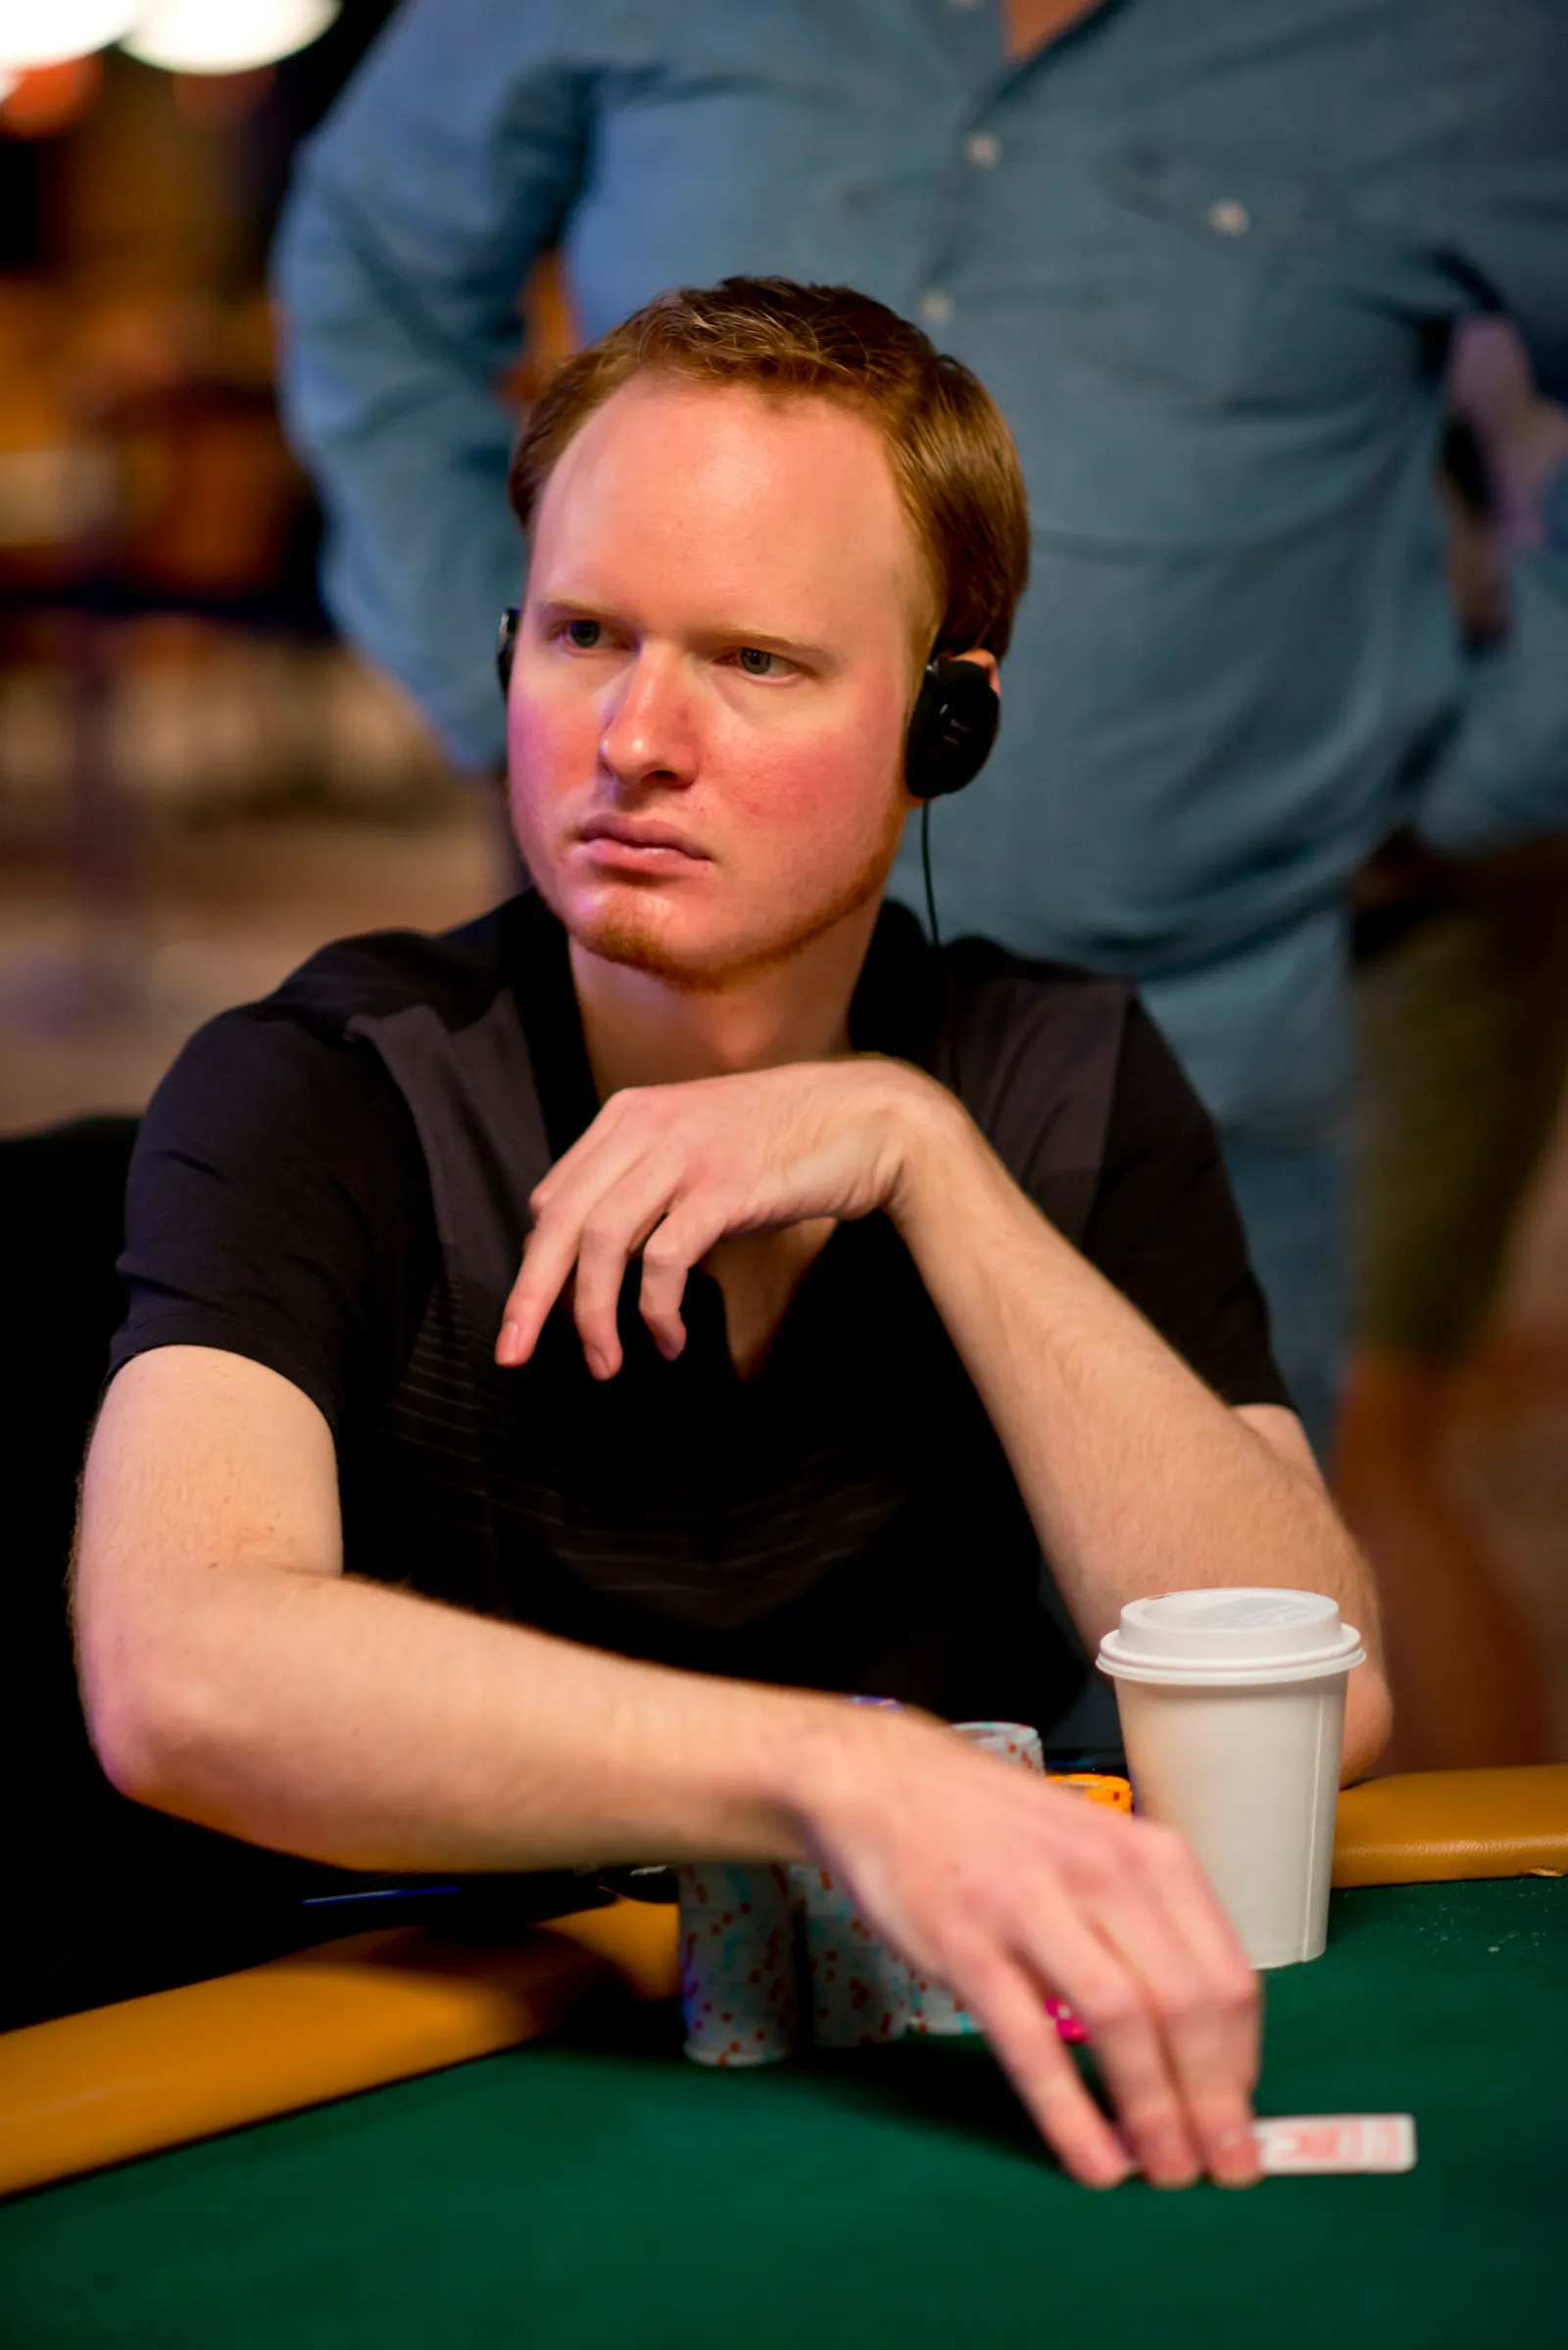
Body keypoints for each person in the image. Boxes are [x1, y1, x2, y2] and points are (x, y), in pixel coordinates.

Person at [74, 281, 1391, 2192]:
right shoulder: (323, 1088)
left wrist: (924, 1157)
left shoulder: (1055, 1084)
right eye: (583, 634)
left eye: (755, 660)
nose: (633, 736)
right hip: (397, 2111)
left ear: (945, 720)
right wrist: (840, 1769)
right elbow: (178, 1672)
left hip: (905, 2122)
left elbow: (1319, 1704)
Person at [270, 0, 1568, 1460]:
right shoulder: (306, 1088)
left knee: (1189, 1575)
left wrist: (1473, 771)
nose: (641, 733)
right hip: (642, 1047)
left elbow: (1253, 1586)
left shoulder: (1461, 37)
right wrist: (518, 683)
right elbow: (370, 270)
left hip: (1199, 1034)